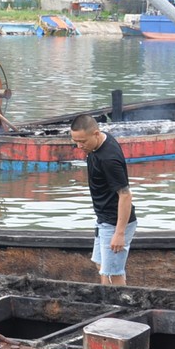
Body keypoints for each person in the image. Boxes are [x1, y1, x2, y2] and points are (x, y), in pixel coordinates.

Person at [70, 115, 137, 285]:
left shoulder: (109, 159)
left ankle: (118, 308)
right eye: (75, 141)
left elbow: (125, 195)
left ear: (96, 134)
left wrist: (119, 233)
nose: (79, 146)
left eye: (83, 141)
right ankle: (108, 301)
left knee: (112, 274)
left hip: (115, 222)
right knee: (102, 266)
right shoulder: (99, 142)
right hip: (103, 219)